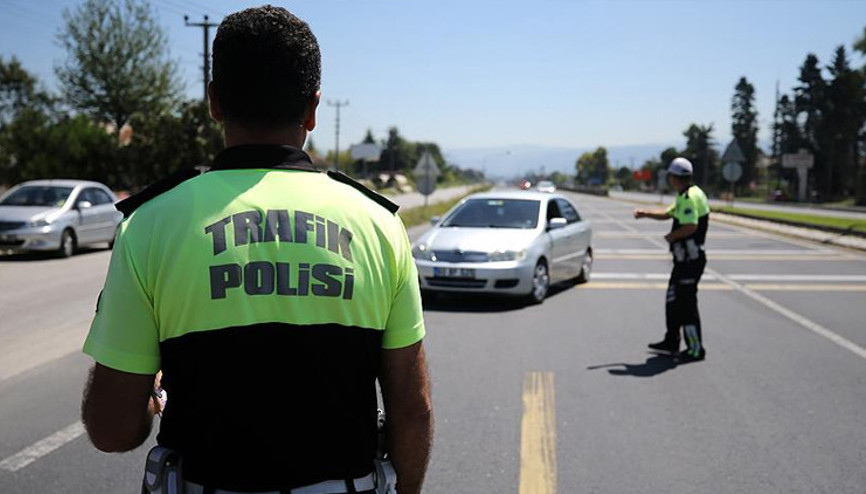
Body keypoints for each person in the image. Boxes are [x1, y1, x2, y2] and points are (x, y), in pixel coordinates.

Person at [80, 6, 432, 494]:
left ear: (214, 103)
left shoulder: (150, 223)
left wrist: (152, 400)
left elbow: (111, 429)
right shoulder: (378, 224)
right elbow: (412, 413)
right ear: (312, 109)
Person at [633, 157, 709, 361]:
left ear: (675, 178)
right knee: (673, 300)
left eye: (670, 176)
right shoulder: (689, 194)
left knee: (687, 305)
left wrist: (673, 236)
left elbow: (691, 225)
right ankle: (671, 340)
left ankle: (695, 349)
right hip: (684, 260)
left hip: (690, 260)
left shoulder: (689, 197)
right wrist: (646, 213)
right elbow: (669, 213)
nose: (669, 180)